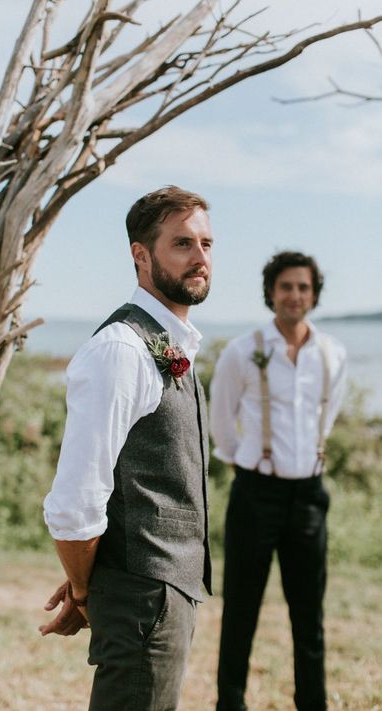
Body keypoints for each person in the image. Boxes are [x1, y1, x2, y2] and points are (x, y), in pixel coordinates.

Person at [40, 186, 213, 711]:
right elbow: (75, 503)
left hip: (158, 592)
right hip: (145, 596)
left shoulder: (168, 343)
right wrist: (85, 589)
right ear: (141, 255)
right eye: (182, 243)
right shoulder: (121, 349)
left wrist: (97, 579)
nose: (201, 257)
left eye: (207, 243)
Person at [210, 251, 347, 711]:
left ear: (314, 294)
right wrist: (245, 463)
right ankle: (230, 705)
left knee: (309, 615)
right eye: (286, 286)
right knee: (241, 612)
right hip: (255, 492)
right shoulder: (242, 350)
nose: (295, 295)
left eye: (303, 287)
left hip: (309, 495)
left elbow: (327, 415)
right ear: (271, 292)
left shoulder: (332, 354)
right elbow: (221, 422)